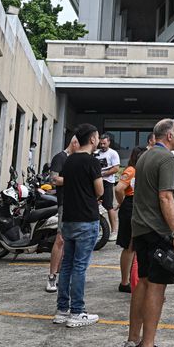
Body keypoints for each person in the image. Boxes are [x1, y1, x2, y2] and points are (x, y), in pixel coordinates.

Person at [123, 119, 174, 347]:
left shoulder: (144, 157)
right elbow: (165, 198)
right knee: (157, 288)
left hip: (141, 229)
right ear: (169, 136)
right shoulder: (167, 158)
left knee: (143, 283)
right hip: (159, 232)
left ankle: (133, 341)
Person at [52, 124, 103, 328]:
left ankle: (62, 310)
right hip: (87, 219)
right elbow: (99, 190)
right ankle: (77, 312)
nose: (98, 140)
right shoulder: (92, 162)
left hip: (69, 219)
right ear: (92, 139)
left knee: (66, 266)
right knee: (80, 267)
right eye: (97, 137)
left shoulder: (70, 159)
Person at [46, 134, 80, 293]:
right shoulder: (60, 157)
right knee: (60, 239)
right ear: (74, 143)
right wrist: (75, 179)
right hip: (64, 204)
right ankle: (51, 276)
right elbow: (54, 179)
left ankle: (62, 276)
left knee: (69, 241)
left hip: (75, 204)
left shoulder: (76, 159)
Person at [116, 146, 146, 293]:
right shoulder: (131, 170)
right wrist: (122, 203)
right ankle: (124, 282)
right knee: (129, 246)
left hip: (136, 206)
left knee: (133, 245)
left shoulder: (140, 171)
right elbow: (118, 189)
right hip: (130, 205)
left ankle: (129, 279)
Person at [96, 134, 121, 233]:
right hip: (97, 182)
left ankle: (114, 230)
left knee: (108, 205)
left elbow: (116, 168)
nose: (102, 145)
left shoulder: (113, 153)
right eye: (101, 143)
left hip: (107, 182)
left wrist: (103, 174)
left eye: (104, 143)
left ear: (109, 142)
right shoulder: (96, 153)